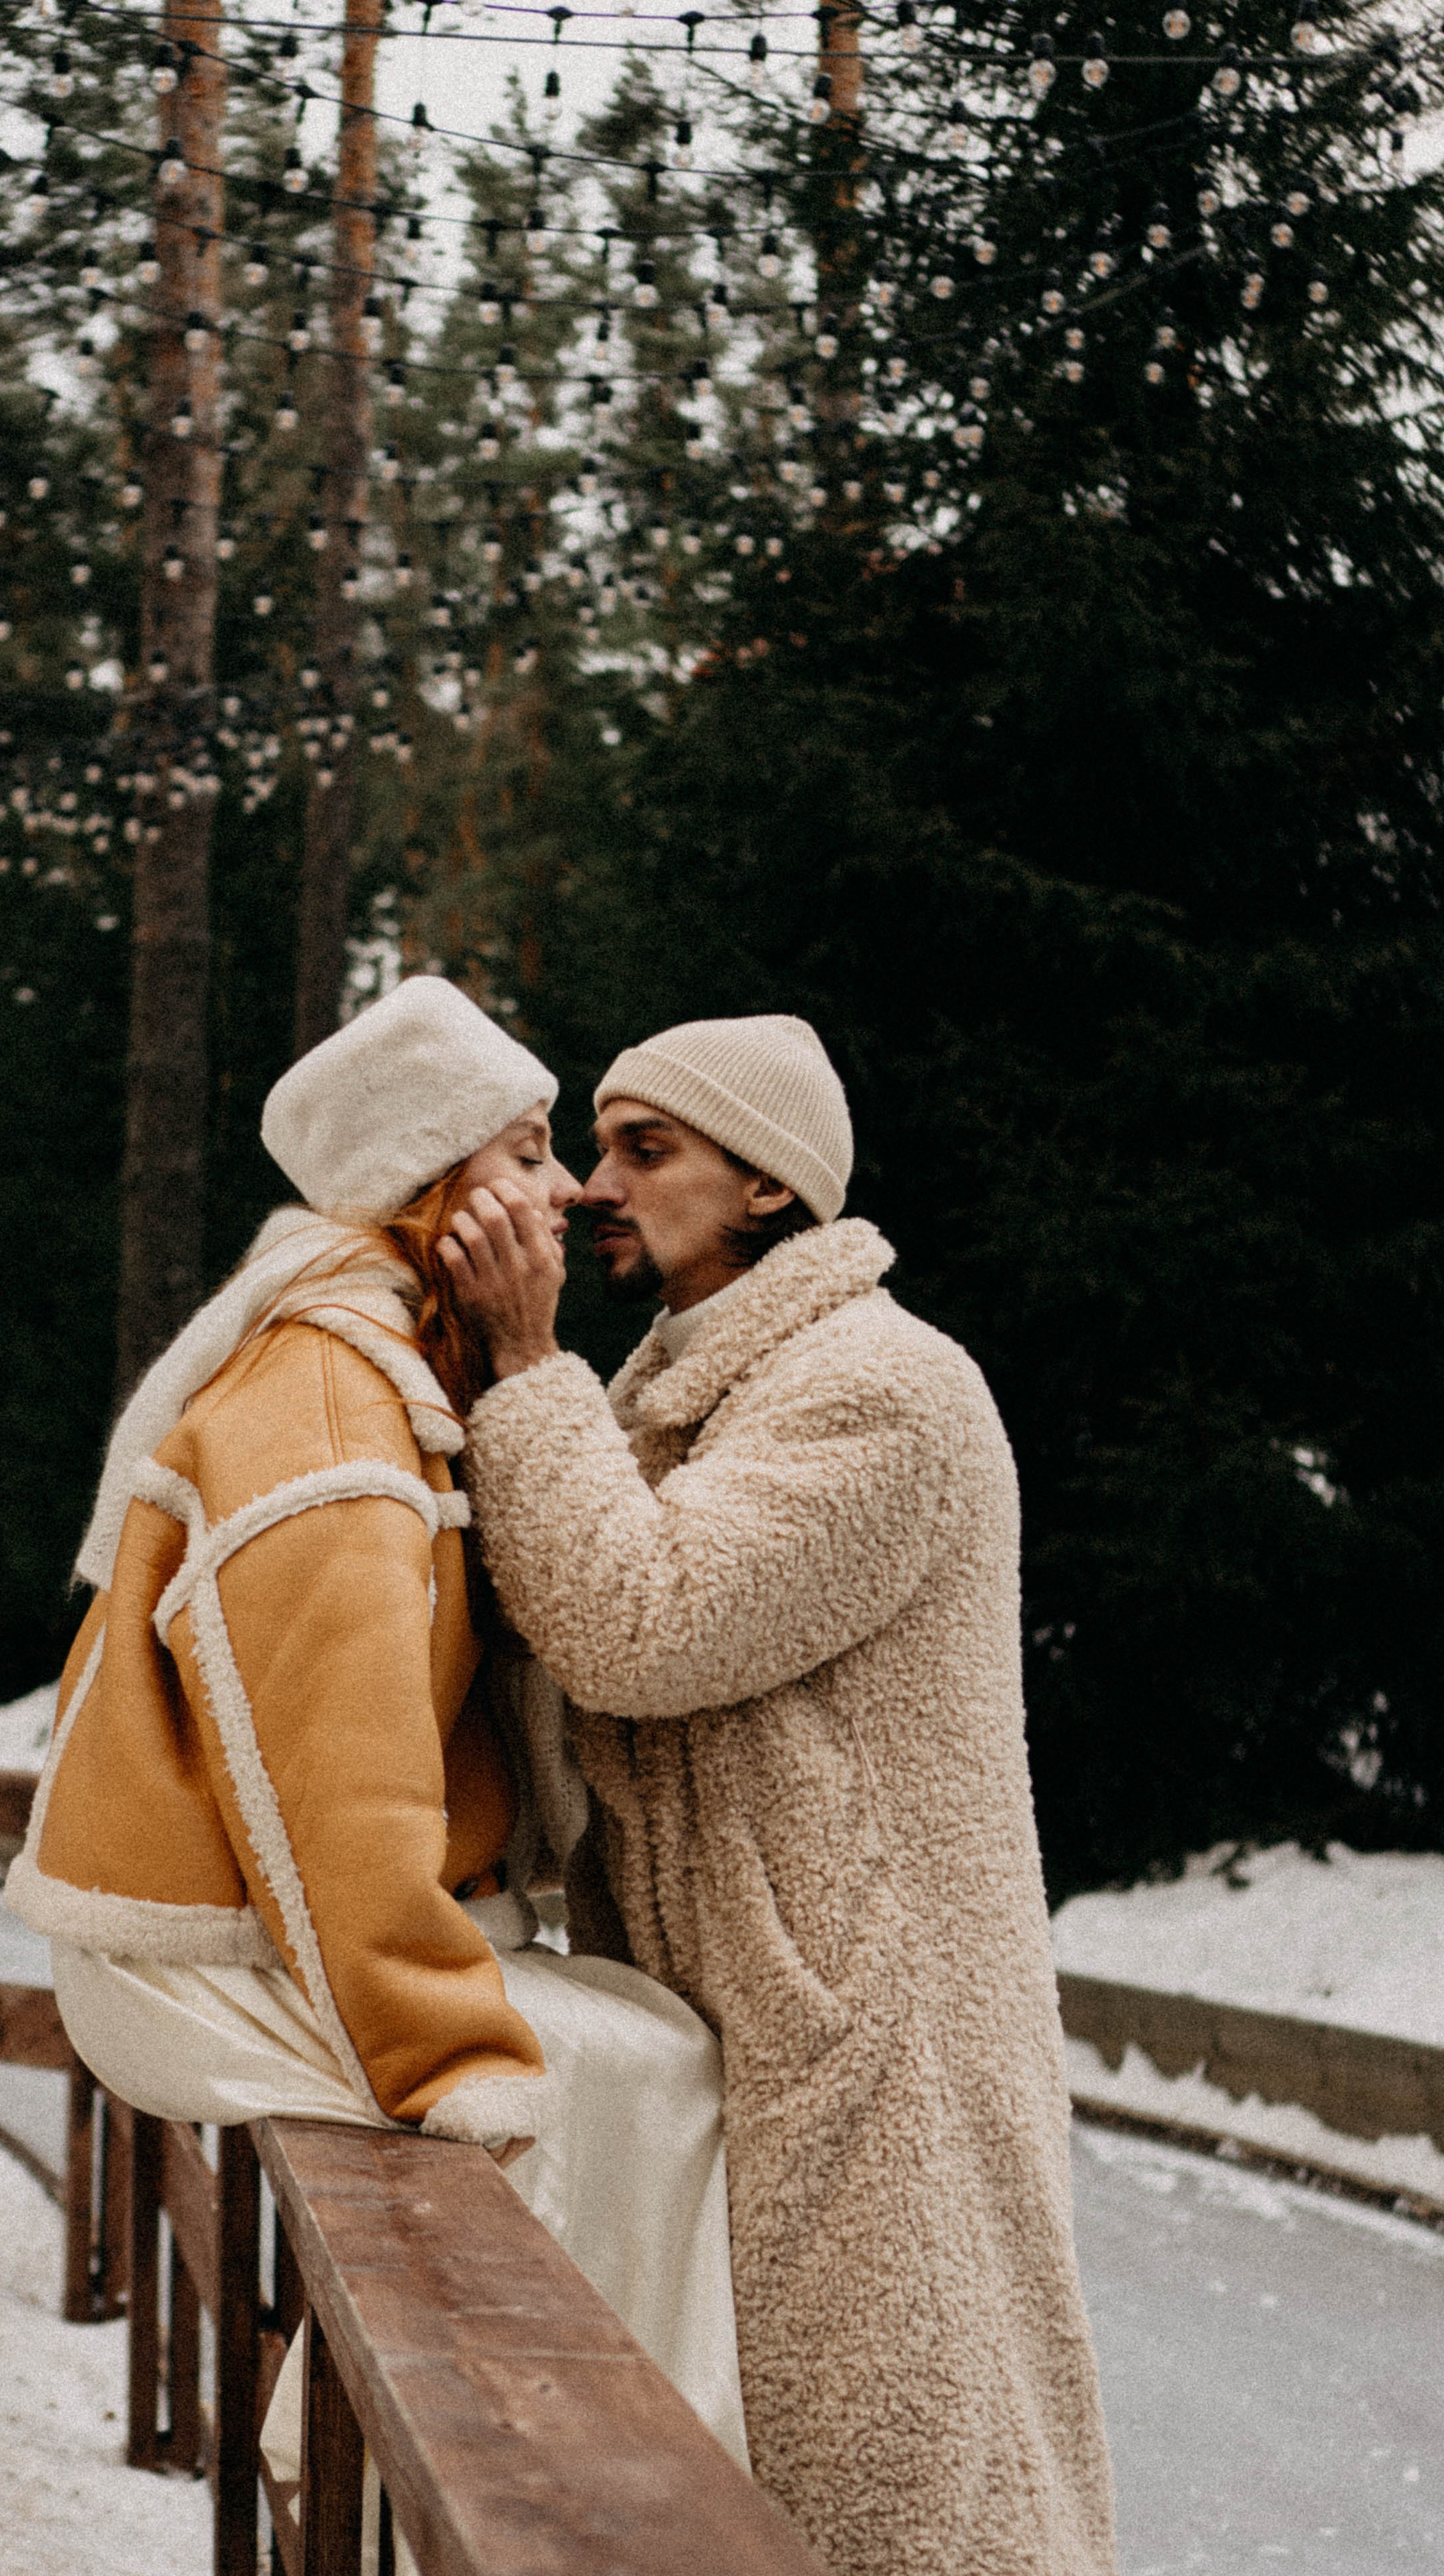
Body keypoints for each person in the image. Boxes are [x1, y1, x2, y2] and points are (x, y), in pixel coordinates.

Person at [4, 976, 747, 2474]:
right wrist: (445, 2058)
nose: (563, 1192)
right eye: (529, 1151)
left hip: (250, 1937)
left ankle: (587, 2482)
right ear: (434, 1185)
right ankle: (482, 2491)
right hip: (196, 1961)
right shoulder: (332, 1418)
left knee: (657, 2050)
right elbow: (326, 1804)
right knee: (640, 2085)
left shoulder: (392, 1368)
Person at [441, 1012, 1119, 2576]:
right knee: (733, 2486)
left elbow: (636, 1628)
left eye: (645, 1148)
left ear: (767, 1187)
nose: (595, 1185)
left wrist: (525, 1363)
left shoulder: (886, 1390)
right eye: (594, 1144)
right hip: (740, 2020)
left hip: (875, 2047)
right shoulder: (673, 1396)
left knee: (904, 2497)